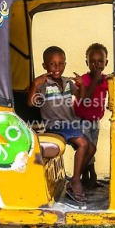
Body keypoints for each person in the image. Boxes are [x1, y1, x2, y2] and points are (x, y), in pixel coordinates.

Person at [27, 45, 96, 202]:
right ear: (45, 65)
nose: (57, 67)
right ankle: (76, 182)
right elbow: (31, 104)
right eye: (52, 64)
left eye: (61, 63)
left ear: (65, 64)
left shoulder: (66, 82)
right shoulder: (43, 84)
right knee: (84, 144)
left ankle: (73, 179)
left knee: (91, 148)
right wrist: (34, 85)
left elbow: (82, 98)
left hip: (70, 124)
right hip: (55, 125)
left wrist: (82, 86)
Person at [73, 43, 110, 189]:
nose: (96, 65)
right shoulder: (86, 79)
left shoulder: (106, 80)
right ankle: (86, 177)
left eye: (100, 61)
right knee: (86, 148)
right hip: (81, 119)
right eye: (92, 61)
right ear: (87, 63)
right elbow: (86, 97)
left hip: (95, 120)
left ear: (106, 63)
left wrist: (114, 82)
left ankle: (89, 177)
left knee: (92, 147)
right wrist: (96, 79)